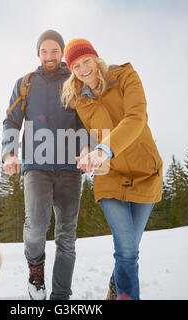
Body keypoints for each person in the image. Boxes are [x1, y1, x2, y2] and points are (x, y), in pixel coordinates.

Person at [61, 38, 163, 300]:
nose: (84, 70)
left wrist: (103, 148)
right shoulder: (77, 100)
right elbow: (80, 131)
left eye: (87, 61)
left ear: (96, 58)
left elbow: (136, 117)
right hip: (110, 176)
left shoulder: (126, 76)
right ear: (71, 70)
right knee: (126, 251)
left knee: (131, 248)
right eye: (76, 66)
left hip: (145, 172)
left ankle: (116, 286)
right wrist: (85, 148)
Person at [1, 30, 89, 300]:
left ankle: (61, 296)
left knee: (66, 236)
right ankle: (35, 273)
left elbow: (86, 121)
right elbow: (11, 122)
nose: (50, 56)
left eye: (54, 51)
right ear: (37, 53)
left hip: (70, 169)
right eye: (44, 51)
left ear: (62, 52)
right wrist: (9, 153)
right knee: (36, 228)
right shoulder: (25, 84)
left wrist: (87, 146)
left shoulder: (75, 81)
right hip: (36, 167)